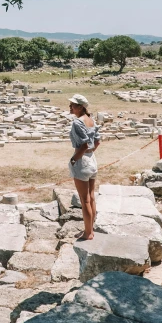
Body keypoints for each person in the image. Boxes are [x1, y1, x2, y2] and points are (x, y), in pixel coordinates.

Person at [68, 93, 100, 240]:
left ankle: (88, 233)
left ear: (81, 107)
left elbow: (84, 144)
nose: (70, 107)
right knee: (91, 197)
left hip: (82, 160)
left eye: (73, 105)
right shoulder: (91, 120)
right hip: (92, 159)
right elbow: (96, 142)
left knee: (84, 199)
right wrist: (88, 153)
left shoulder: (77, 122)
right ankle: (90, 228)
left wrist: (74, 160)